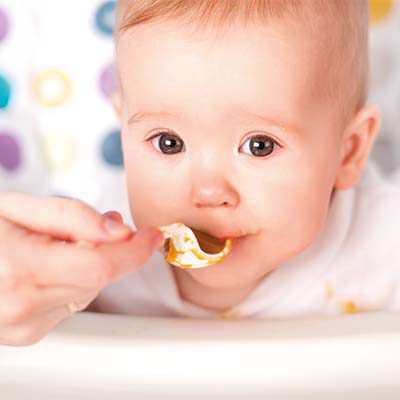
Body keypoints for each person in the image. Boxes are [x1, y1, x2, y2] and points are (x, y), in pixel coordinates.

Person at [1, 0, 399, 347]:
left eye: (259, 145)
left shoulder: (383, 245)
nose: (208, 191)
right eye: (168, 142)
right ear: (123, 129)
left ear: (349, 152)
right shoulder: (92, 259)